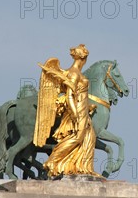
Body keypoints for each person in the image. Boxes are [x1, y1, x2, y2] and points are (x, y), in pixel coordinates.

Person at [35, 44, 99, 177]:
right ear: (83, 58)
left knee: (89, 137)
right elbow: (69, 96)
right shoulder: (74, 74)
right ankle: (52, 161)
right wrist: (75, 114)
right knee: (77, 137)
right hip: (77, 110)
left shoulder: (78, 73)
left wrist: (88, 107)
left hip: (83, 109)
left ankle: (82, 167)